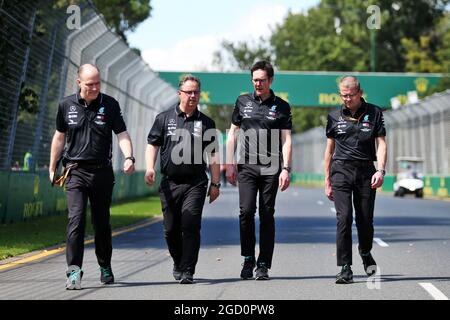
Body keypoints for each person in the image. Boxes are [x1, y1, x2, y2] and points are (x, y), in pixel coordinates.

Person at [48, 64, 135, 290]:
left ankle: (104, 265)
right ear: (79, 83)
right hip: (75, 171)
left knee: (101, 223)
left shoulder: (110, 104)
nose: (95, 87)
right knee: (76, 220)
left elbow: (122, 134)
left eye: (98, 83)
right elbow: (59, 137)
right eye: (90, 84)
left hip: (101, 172)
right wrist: (52, 165)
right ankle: (74, 271)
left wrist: (129, 157)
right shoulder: (66, 105)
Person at [145, 74, 220, 284]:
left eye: (196, 92)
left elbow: (213, 155)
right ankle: (178, 262)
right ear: (180, 93)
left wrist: (215, 183)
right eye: (189, 92)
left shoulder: (206, 122)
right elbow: (153, 144)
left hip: (195, 182)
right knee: (170, 230)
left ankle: (188, 270)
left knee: (190, 224)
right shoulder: (164, 118)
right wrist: (150, 168)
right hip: (169, 183)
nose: (193, 96)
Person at [226, 60, 292, 280]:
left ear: (270, 80)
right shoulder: (242, 101)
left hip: (271, 167)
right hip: (246, 166)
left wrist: (286, 169)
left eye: (262, 80)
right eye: (255, 80)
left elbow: (286, 140)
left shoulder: (282, 106)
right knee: (245, 212)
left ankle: (263, 263)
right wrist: (229, 163)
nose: (258, 84)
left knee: (266, 214)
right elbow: (233, 133)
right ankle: (248, 258)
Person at [324, 75, 387, 284]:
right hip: (340, 170)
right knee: (343, 218)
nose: (347, 99)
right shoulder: (334, 116)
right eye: (343, 96)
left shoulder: (375, 113)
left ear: (360, 93)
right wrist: (327, 180)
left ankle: (366, 252)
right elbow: (329, 149)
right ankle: (345, 267)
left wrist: (381, 170)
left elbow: (382, 143)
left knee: (365, 220)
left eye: (350, 95)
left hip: (366, 171)